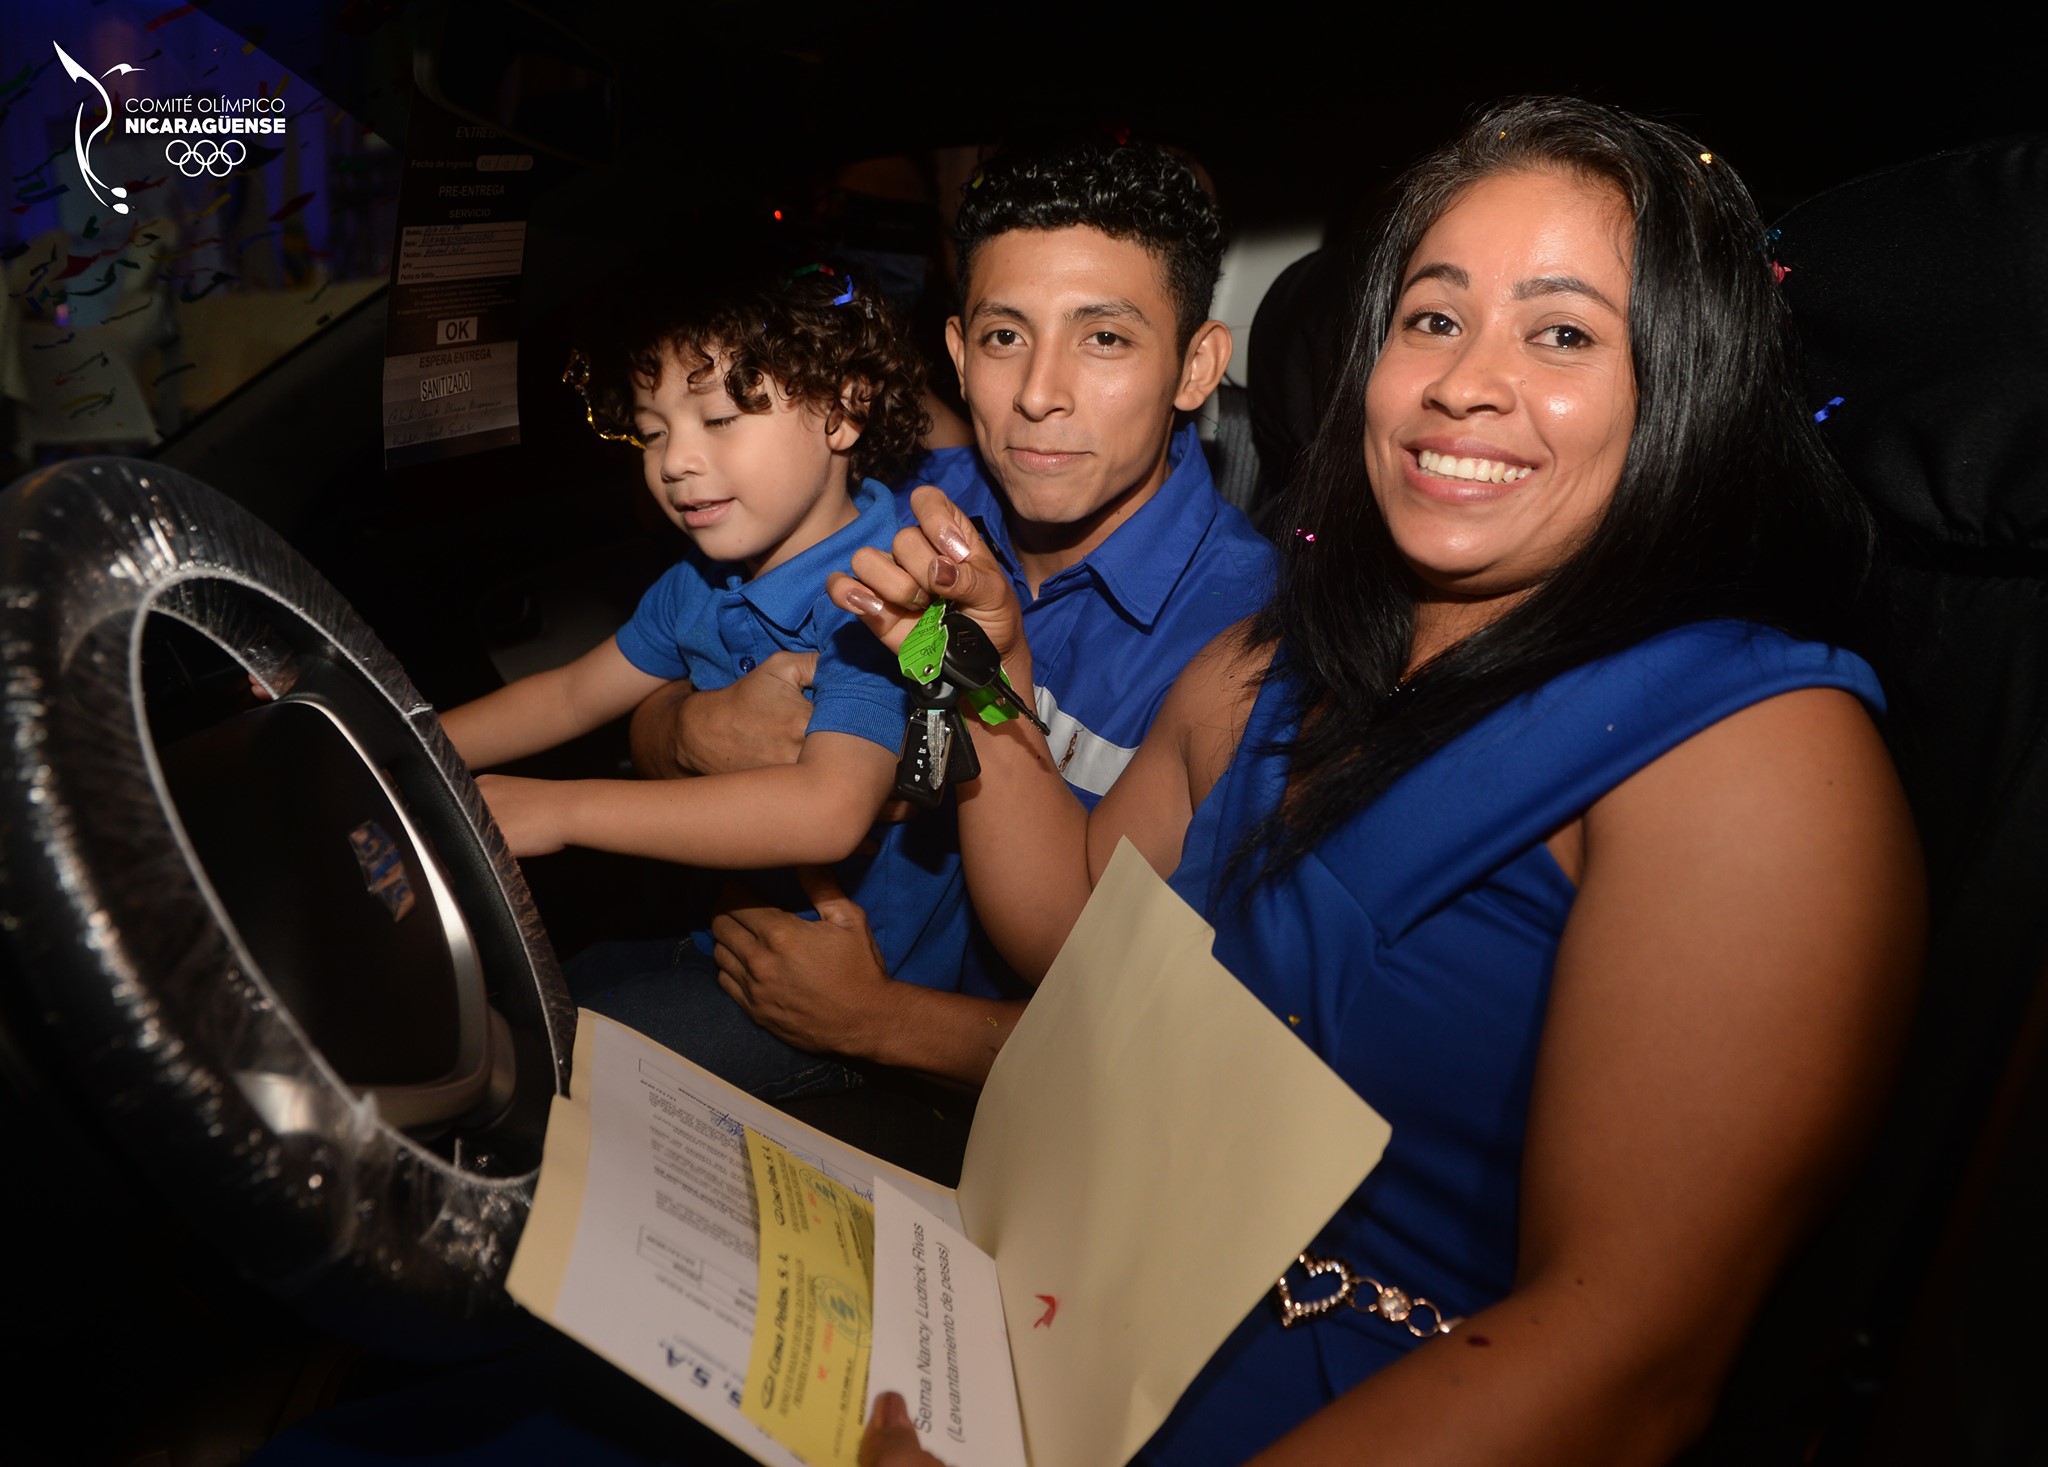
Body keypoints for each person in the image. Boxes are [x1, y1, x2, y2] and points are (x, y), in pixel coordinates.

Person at [838, 97, 1924, 1465]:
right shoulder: (1266, 662)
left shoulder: (1755, 755)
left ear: (1685, 381)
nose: (1465, 380)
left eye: (1564, 332)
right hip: (1074, 1312)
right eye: (1432, 316)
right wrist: (971, 660)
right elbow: (1071, 933)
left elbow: (1628, 1361)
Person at [620, 139, 1276, 1087]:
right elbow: (658, 680)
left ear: (1195, 365)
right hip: (756, 949)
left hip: (999, 1107)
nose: (1041, 395)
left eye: (1105, 338)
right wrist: (685, 730)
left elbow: (1181, 1039)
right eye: (1007, 337)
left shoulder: (1247, 645)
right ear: (961, 356)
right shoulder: (896, 510)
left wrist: (886, 1023)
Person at [440, 265, 966, 1100]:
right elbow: (572, 695)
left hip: (827, 998)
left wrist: (560, 809)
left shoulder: (887, 588)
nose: (676, 462)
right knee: (488, 1012)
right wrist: (398, 736)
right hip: (720, 932)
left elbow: (827, 811)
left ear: (842, 409)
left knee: (532, 1080)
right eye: (652, 433)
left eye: (719, 418)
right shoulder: (699, 581)